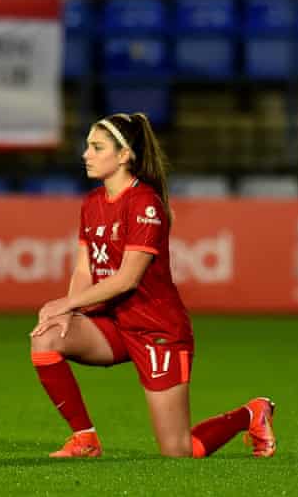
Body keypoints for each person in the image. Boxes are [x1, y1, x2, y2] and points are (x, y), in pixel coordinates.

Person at [29, 112, 276, 458]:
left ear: (124, 155)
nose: (85, 154)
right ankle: (85, 440)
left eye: (96, 147)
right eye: (87, 146)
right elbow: (84, 270)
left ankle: (251, 413)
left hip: (156, 329)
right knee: (46, 337)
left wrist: (67, 304)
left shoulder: (145, 204)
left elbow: (128, 278)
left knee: (178, 451)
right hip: (114, 324)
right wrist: (69, 310)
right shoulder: (91, 204)